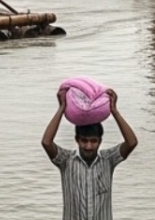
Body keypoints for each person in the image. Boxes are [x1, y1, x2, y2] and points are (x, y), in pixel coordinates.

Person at [42, 87, 137, 220]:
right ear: (77, 140)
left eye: (93, 141)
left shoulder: (108, 160)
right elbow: (46, 142)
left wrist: (115, 111)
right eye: (84, 141)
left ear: (100, 141)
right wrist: (61, 108)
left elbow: (131, 142)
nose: (88, 146)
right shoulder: (66, 160)